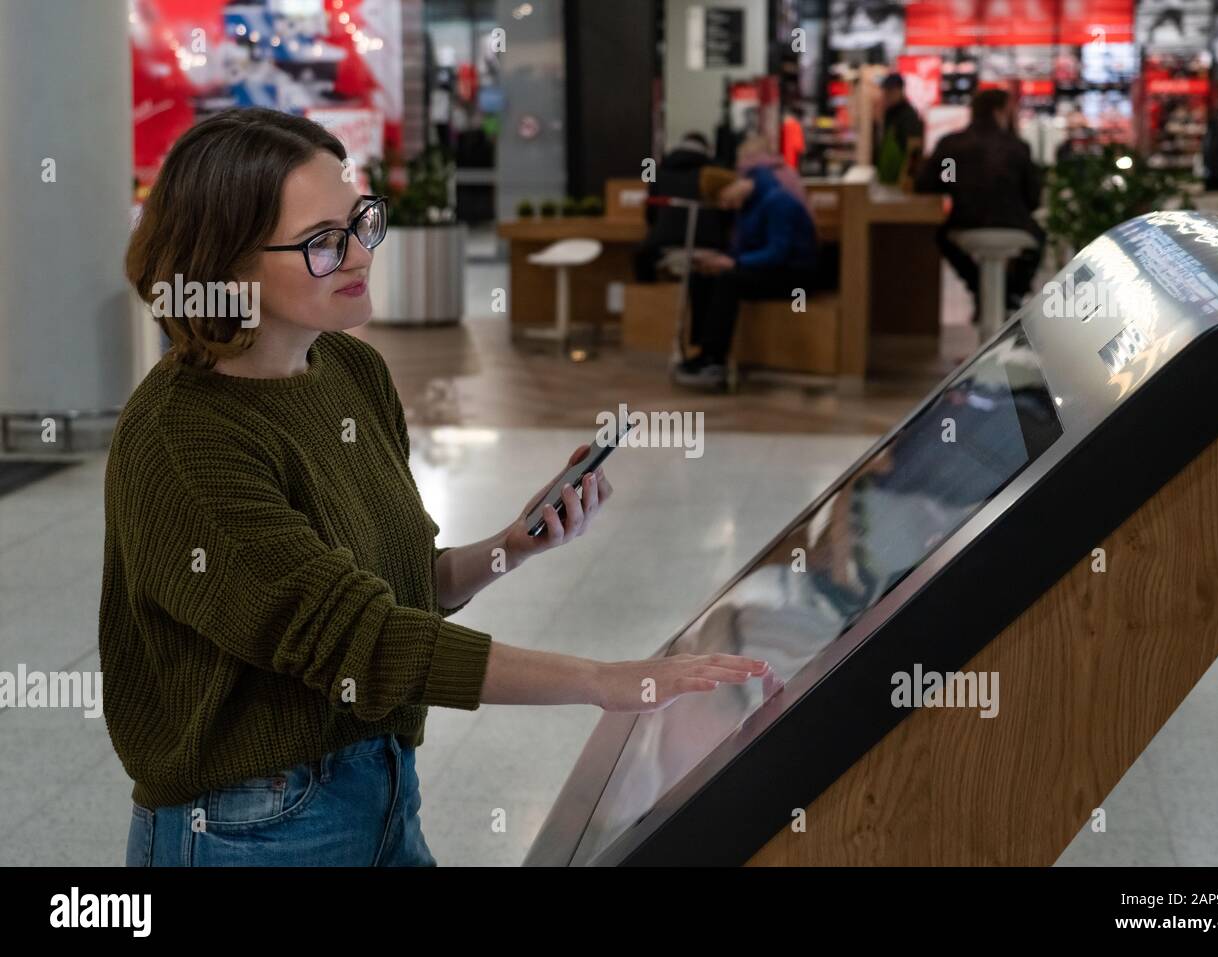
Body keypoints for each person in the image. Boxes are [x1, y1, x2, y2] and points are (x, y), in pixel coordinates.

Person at [107, 108, 770, 867]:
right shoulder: (184, 438)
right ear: (226, 267)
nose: (360, 253)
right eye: (324, 242)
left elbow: (399, 585)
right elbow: (363, 641)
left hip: (382, 783)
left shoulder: (352, 371)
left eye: (359, 221)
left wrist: (509, 548)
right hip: (249, 826)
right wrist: (604, 679)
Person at [674, 165, 819, 388]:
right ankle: (704, 351)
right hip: (771, 268)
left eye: (724, 199)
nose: (725, 206)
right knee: (702, 276)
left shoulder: (778, 201)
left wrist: (734, 262)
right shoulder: (750, 205)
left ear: (730, 186)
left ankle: (715, 357)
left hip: (795, 275)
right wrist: (720, 260)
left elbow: (778, 251)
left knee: (728, 280)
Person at [915, 88, 1044, 319]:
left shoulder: (951, 145)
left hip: (965, 222)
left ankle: (978, 287)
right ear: (1001, 111)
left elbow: (934, 184)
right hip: (1014, 225)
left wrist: (958, 183)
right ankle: (1012, 293)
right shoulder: (1018, 147)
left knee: (942, 236)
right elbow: (1033, 198)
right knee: (1039, 238)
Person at [633, 131, 729, 282]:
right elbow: (726, 216)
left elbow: (651, 215)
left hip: (665, 243)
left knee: (640, 256)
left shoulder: (657, 172)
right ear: (706, 149)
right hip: (711, 243)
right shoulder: (717, 174)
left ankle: (648, 300)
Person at [876, 73, 924, 185]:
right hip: (887, 179)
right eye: (885, 91)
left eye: (890, 91)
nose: (886, 95)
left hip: (899, 181)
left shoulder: (908, 115)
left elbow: (914, 147)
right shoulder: (889, 113)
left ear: (900, 90)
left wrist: (907, 176)